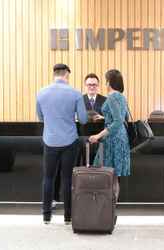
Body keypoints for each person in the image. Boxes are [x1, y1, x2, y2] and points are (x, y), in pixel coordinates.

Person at [36, 63, 88, 225]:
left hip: (50, 140)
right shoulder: (75, 94)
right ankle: (68, 216)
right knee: (67, 179)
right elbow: (84, 119)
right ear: (66, 74)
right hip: (69, 141)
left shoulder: (41, 93)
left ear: (54, 74)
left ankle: (46, 216)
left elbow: (40, 117)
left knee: (48, 178)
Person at [53, 73, 107, 206]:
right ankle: (78, 196)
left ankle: (97, 196)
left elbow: (110, 120)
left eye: (94, 85)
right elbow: (70, 116)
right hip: (79, 138)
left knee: (97, 169)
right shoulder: (79, 99)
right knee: (77, 168)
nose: (92, 87)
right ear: (85, 85)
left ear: (98, 86)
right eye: (89, 85)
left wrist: (102, 118)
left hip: (99, 140)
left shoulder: (105, 100)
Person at [88, 69, 130, 201]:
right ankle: (110, 208)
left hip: (113, 139)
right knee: (113, 176)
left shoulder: (112, 97)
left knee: (105, 174)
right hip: (121, 138)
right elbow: (122, 117)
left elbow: (117, 121)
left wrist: (98, 136)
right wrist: (104, 116)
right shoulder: (121, 97)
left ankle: (106, 207)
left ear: (109, 82)